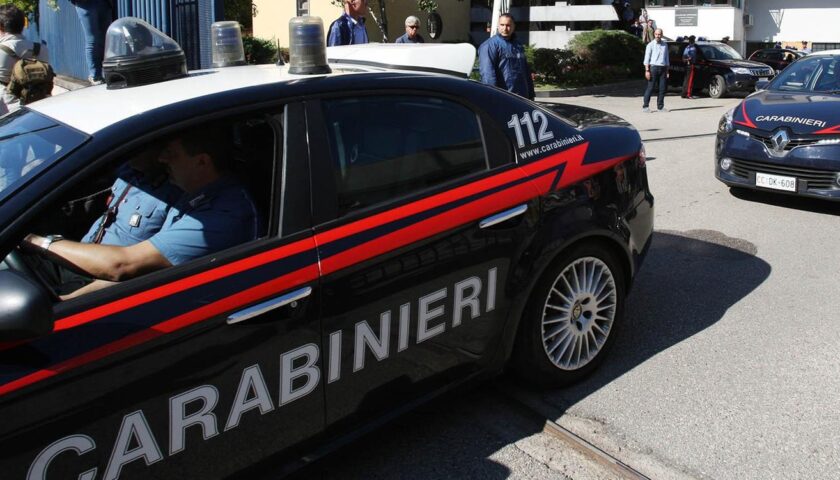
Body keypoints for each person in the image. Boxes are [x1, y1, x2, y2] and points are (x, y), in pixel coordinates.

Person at [22, 129, 259, 299]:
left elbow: (124, 267)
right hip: (85, 270)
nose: (162, 158)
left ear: (201, 162)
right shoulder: (193, 191)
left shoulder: (221, 216)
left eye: (172, 153)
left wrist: (35, 241)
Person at [0, 4, 50, 115]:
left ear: (1, 27)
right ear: (22, 26)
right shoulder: (42, 49)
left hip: (7, 113)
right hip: (41, 107)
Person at [478, 13, 535, 100]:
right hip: (504, 98)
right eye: (502, 25)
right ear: (498, 25)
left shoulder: (518, 45)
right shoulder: (489, 46)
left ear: (513, 26)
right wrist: (492, 97)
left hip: (522, 98)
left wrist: (530, 94)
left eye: (508, 25)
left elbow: (526, 72)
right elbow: (487, 75)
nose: (505, 28)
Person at [70, 0, 113, 85]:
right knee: (93, 39)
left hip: (104, 2)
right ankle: (95, 75)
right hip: (84, 4)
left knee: (106, 37)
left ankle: (109, 72)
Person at [642, 28, 669, 113]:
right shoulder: (650, 45)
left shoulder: (665, 45)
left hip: (663, 68)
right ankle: (645, 106)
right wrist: (647, 70)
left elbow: (666, 58)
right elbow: (646, 59)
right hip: (653, 68)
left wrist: (667, 70)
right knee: (650, 88)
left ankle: (660, 107)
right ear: (654, 34)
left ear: (662, 35)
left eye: (659, 34)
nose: (658, 36)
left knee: (662, 89)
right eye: (656, 34)